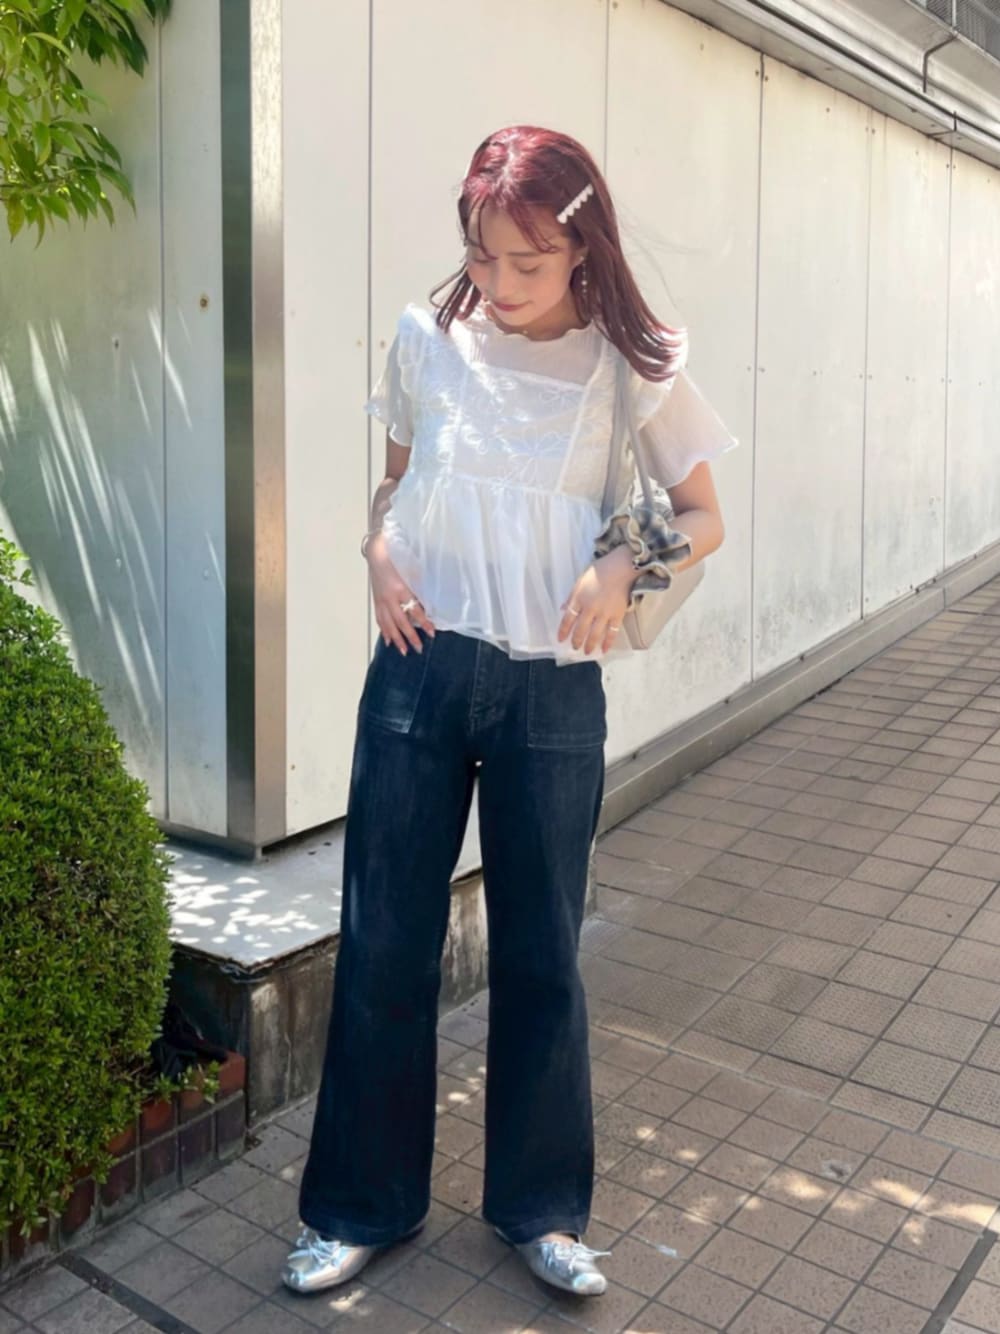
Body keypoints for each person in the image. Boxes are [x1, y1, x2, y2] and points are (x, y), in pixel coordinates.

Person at [281, 125, 736, 1300]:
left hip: (549, 686)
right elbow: (394, 486)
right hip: (418, 665)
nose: (498, 280)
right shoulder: (426, 339)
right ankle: (357, 1204)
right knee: (384, 939)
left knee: (541, 954)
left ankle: (542, 1210)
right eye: (481, 255)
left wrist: (619, 560)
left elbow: (704, 514)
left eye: (526, 261)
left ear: (581, 248)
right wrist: (378, 555)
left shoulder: (630, 363)